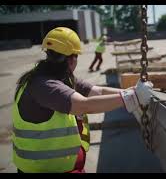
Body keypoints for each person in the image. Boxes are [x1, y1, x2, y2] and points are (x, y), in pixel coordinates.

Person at [12, 27, 153, 173]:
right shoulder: (44, 85)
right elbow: (83, 106)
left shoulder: (60, 77)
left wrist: (132, 91)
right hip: (43, 170)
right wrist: (133, 97)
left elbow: (97, 91)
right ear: (72, 58)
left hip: (61, 167)